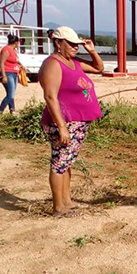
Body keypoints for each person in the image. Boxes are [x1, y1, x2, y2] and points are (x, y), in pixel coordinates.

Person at [39, 26, 104, 217]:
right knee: (59, 163)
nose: (76, 47)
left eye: (77, 44)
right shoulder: (53, 64)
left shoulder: (72, 62)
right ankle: (58, 206)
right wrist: (62, 127)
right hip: (64, 123)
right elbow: (50, 97)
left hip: (77, 122)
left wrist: (92, 50)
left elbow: (99, 68)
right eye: (72, 44)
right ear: (58, 43)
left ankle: (66, 200)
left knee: (67, 162)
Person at [0, 34, 23, 115]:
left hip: (14, 73)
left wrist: (21, 65)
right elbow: (1, 62)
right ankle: (0, 112)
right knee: (10, 95)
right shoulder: (6, 50)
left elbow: (15, 60)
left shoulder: (13, 50)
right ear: (16, 43)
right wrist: (4, 76)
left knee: (11, 94)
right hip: (7, 73)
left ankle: (12, 110)